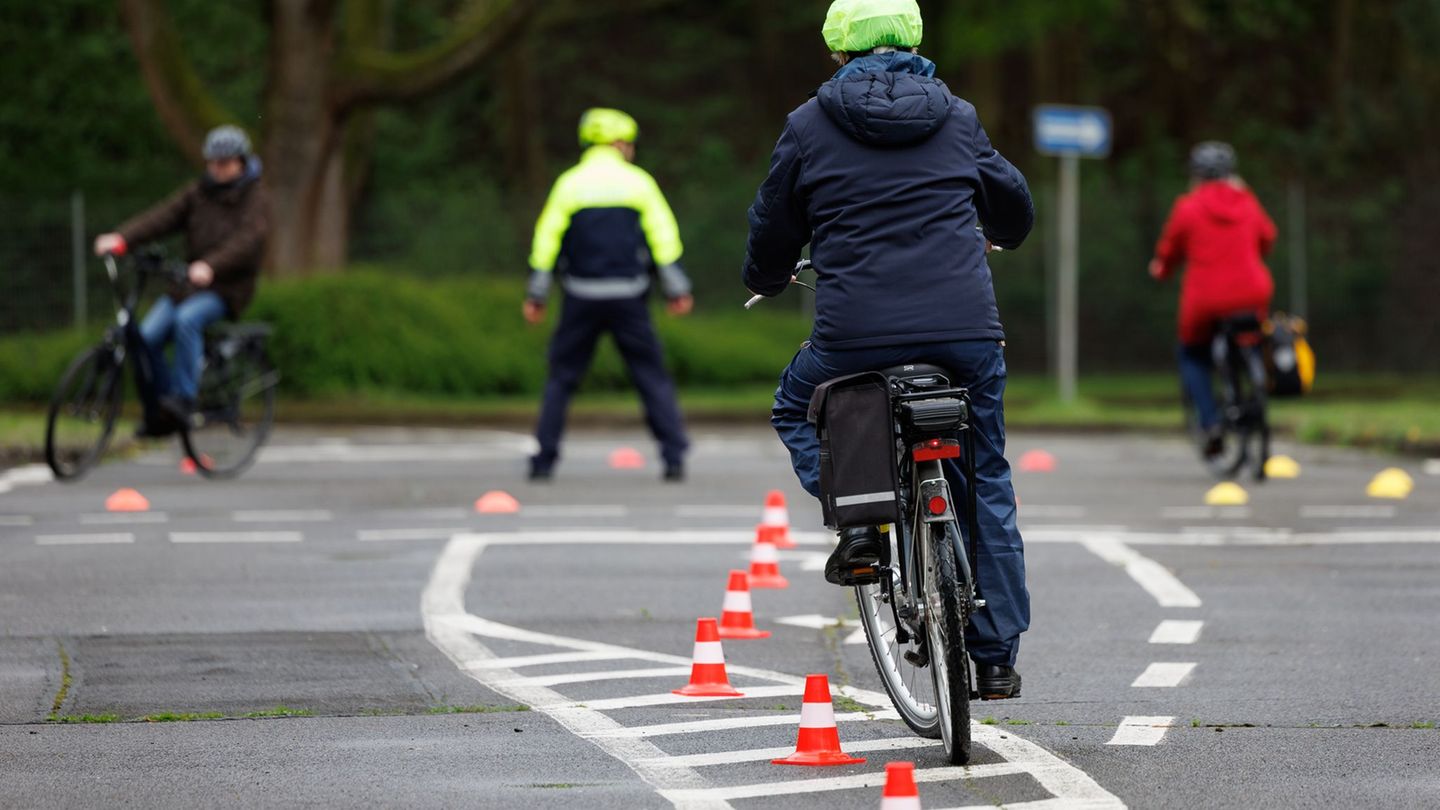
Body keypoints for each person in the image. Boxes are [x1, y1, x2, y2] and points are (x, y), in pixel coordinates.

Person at [743, 0, 1033, 699]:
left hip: (856, 335)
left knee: (795, 404)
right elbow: (1012, 203)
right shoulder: (957, 116)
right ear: (914, 41)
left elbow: (775, 220)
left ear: (836, 49)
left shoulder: (809, 124)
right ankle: (995, 657)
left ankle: (865, 524)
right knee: (984, 473)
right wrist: (1001, 233)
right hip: (965, 331)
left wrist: (768, 275)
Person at [524, 108, 695, 482]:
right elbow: (662, 238)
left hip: (579, 295)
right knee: (650, 375)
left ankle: (543, 460)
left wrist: (537, 292)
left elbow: (546, 240)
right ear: (618, 143)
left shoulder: (568, 184)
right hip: (629, 297)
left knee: (561, 377)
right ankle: (673, 456)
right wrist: (677, 288)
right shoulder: (639, 183)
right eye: (629, 143)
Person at [93, 125, 270, 436]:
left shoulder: (255, 198)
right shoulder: (199, 193)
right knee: (145, 338)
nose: (217, 168)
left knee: (187, 321)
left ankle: (184, 399)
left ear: (241, 162)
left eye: (225, 162)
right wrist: (122, 237)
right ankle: (162, 411)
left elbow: (248, 241)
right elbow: (162, 217)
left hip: (226, 288)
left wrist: (210, 266)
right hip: (187, 285)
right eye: (213, 162)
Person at [1149, 142, 1277, 455]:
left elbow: (1169, 253)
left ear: (1196, 175)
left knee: (1191, 355)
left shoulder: (1188, 206)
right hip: (1251, 292)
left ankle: (1211, 423)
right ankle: (1254, 393)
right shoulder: (1247, 201)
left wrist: (1160, 269)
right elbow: (1268, 238)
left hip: (1206, 300)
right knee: (1251, 338)